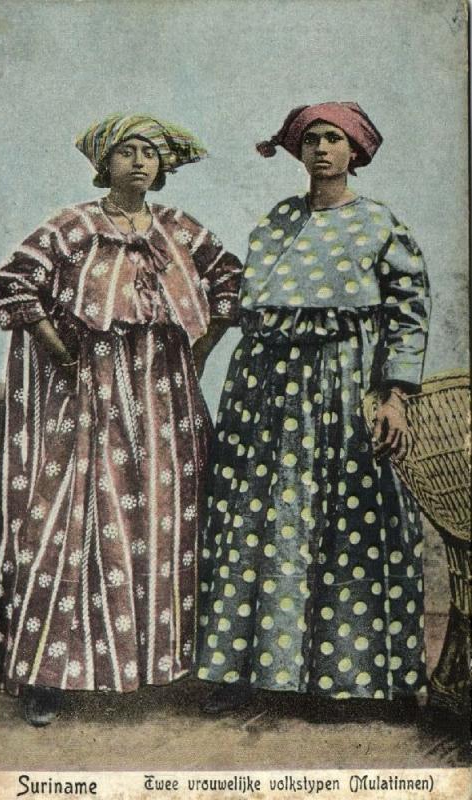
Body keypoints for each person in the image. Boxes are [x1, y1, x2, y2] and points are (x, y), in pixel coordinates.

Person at [0, 113, 242, 725]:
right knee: (74, 519)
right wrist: (60, 350)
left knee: (161, 523)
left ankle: (156, 667)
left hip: (164, 405)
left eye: (150, 153)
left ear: (163, 166)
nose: (139, 162)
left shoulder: (180, 229)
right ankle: (48, 678)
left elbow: (230, 283)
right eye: (127, 152)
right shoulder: (74, 225)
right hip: (90, 401)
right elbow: (14, 283)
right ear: (106, 162)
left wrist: (199, 350)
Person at [196, 102, 431, 713]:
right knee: (258, 517)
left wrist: (396, 396)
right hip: (265, 393)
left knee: (343, 522)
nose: (321, 150)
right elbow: (246, 303)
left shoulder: (381, 224)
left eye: (334, 139)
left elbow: (408, 317)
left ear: (356, 151)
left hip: (343, 387)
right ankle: (245, 674)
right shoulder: (276, 220)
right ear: (297, 152)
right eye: (310, 140)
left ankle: (345, 681)